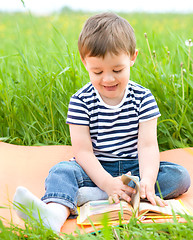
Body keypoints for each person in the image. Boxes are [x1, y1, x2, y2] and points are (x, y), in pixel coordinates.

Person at [13, 12, 191, 232]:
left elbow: (147, 146)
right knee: (61, 171)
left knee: (179, 176)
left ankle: (91, 196)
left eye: (117, 70)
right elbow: (83, 152)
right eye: (97, 71)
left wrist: (147, 179)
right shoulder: (80, 101)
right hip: (94, 168)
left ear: (132, 57)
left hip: (132, 169)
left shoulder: (143, 98)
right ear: (84, 61)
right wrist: (106, 182)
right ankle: (54, 215)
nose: (108, 79)